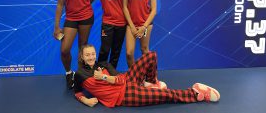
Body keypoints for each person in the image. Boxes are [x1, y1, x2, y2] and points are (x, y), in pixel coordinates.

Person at [74, 44, 220, 108]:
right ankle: (195, 94)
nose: (91, 56)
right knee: (164, 95)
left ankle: (150, 82)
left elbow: (120, 79)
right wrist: (86, 101)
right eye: (87, 54)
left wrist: (104, 77)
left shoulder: (104, 64)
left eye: (93, 53)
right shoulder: (80, 74)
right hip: (124, 96)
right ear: (82, 56)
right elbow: (77, 92)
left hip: (127, 80)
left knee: (151, 55)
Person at [53, 0, 100, 89]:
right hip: (71, 19)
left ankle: (81, 75)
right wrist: (57, 27)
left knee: (82, 47)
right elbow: (60, 4)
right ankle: (69, 73)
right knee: (65, 49)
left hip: (86, 18)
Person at [90, 0, 127, 69]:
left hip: (121, 23)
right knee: (105, 49)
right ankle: (100, 70)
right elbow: (88, 1)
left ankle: (111, 71)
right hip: (107, 23)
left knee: (116, 49)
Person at [123, 0, 157, 67]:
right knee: (129, 53)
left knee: (144, 49)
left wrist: (143, 27)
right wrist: (132, 26)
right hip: (131, 25)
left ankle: (150, 77)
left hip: (145, 25)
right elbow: (124, 7)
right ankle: (134, 76)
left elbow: (154, 10)